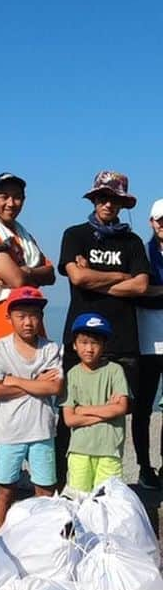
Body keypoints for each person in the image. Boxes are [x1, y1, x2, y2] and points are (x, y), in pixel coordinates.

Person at [57, 171, 149, 482]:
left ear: (123, 203)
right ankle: (62, 480)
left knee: (117, 412)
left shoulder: (132, 241)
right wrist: (121, 276)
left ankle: (111, 481)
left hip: (122, 341)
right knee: (68, 413)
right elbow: (77, 278)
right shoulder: (75, 235)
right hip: (79, 339)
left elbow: (140, 287)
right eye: (102, 196)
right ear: (94, 199)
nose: (107, 203)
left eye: (114, 198)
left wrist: (95, 278)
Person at [0, 174, 56, 490]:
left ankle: (33, 476)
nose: (11, 202)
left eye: (17, 196)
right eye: (3, 196)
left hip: (34, 333)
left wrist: (26, 273)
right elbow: (18, 280)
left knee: (35, 404)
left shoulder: (24, 237)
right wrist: (28, 275)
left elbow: (50, 273)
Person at [0, 287, 64, 531]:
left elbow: (55, 388)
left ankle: (48, 538)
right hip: (9, 433)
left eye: (34, 315)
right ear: (9, 317)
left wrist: (15, 380)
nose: (28, 322)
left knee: (46, 491)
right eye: (22, 316)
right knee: (5, 491)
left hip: (42, 431)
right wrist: (37, 383)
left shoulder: (51, 349)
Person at [61, 313, 130, 496]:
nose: (89, 349)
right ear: (75, 345)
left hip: (110, 448)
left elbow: (121, 408)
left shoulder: (115, 371)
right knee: (78, 499)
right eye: (84, 342)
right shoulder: (72, 374)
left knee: (106, 500)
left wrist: (83, 410)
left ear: (104, 345)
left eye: (95, 343)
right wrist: (107, 410)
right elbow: (69, 419)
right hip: (79, 449)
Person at [133, 198, 163, 489]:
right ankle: (144, 466)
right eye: (160, 220)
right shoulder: (142, 251)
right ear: (152, 222)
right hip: (146, 342)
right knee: (143, 408)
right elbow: (138, 291)